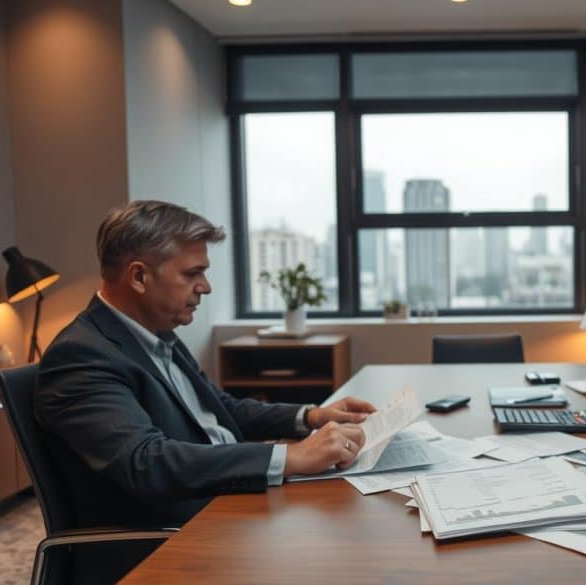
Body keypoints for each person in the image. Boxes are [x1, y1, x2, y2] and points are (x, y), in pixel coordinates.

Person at [35, 200, 375, 582]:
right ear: (138, 277)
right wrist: (290, 457)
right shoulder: (81, 356)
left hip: (227, 505)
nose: (206, 287)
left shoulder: (159, 335)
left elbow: (219, 410)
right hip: (176, 537)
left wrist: (311, 416)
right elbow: (146, 462)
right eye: (193, 273)